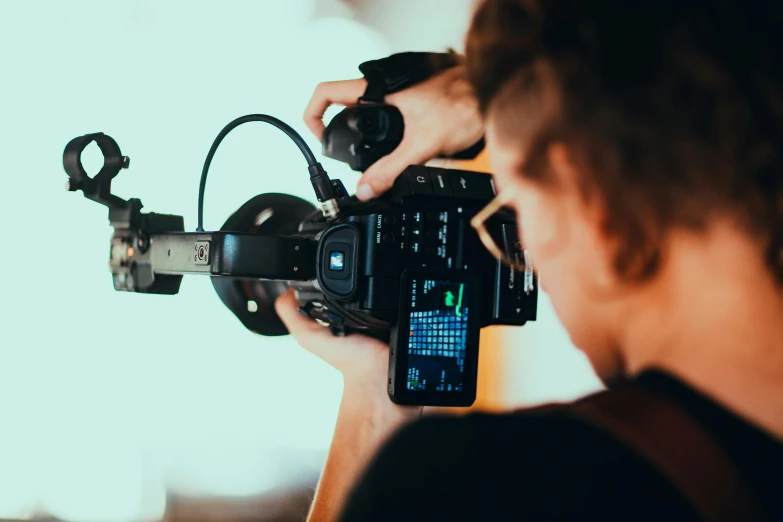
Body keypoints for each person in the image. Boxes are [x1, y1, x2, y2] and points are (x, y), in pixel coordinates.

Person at [275, 0, 783, 520]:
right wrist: (496, 92)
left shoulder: (488, 481)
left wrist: (370, 395)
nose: (529, 261)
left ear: (583, 196)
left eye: (514, 207)